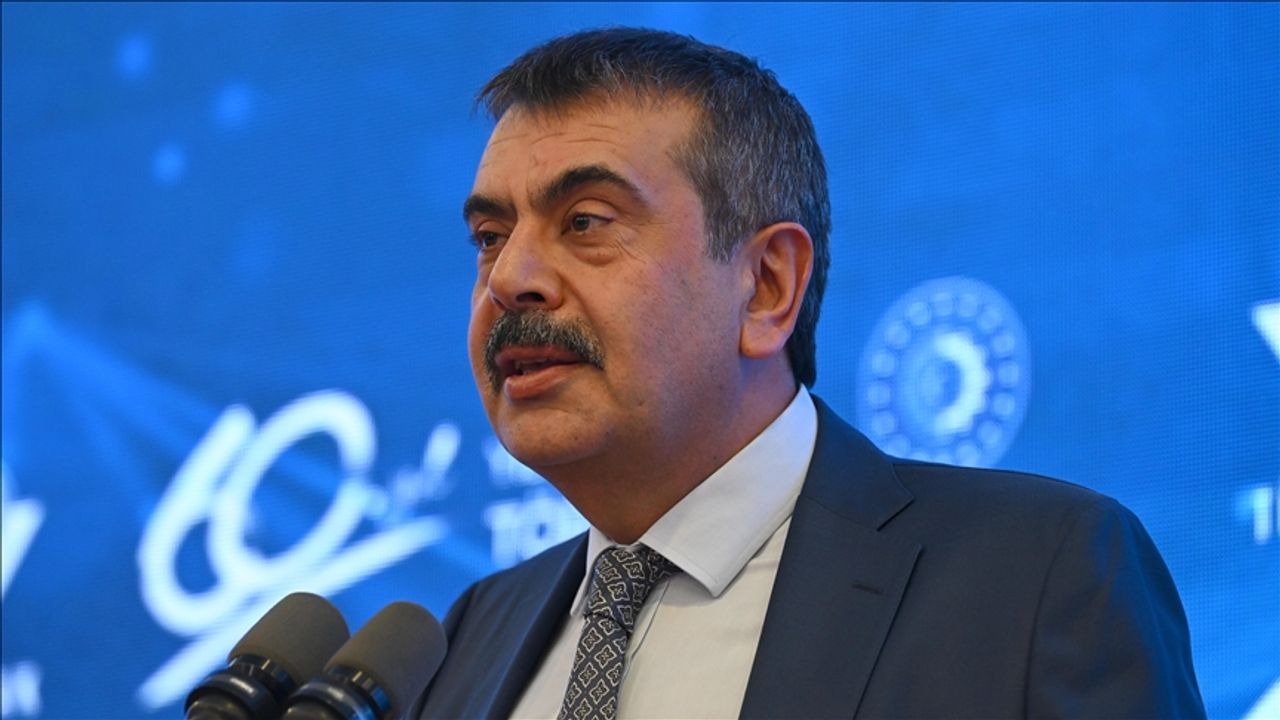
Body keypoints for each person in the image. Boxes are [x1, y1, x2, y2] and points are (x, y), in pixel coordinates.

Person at [415, 27, 1205, 720]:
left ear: (767, 287)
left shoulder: (1035, 578)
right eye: (490, 236)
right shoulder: (467, 637)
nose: (508, 278)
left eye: (586, 222)